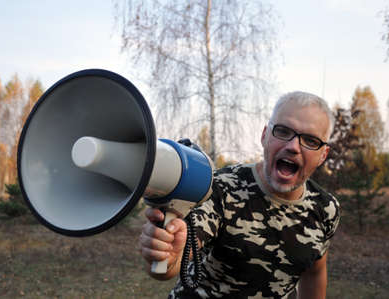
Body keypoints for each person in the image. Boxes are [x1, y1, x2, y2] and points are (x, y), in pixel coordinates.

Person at [140, 91, 341, 299]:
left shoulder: (326, 209)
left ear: (323, 155)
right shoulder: (220, 187)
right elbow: (176, 258)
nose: (293, 147)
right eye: (283, 131)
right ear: (265, 135)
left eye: (310, 140)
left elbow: (315, 271)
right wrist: (167, 253)